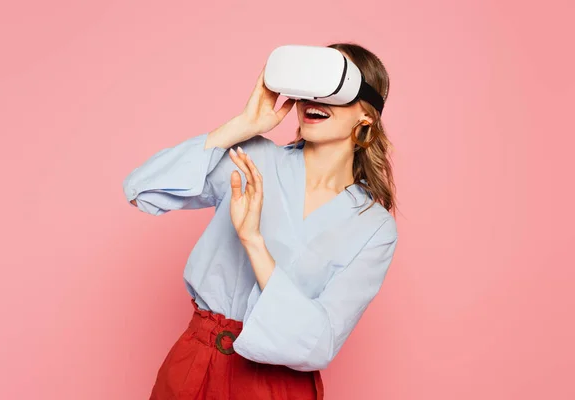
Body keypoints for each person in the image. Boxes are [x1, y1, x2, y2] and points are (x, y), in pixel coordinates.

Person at [123, 42, 398, 400]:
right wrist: (240, 126)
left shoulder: (373, 227)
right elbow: (142, 189)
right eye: (310, 87)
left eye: (332, 88)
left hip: (275, 386)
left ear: (367, 115)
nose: (315, 99)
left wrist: (254, 241)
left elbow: (320, 342)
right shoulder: (253, 156)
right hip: (196, 363)